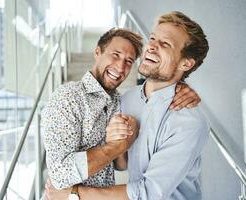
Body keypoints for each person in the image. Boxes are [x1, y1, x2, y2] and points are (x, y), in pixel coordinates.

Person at [44, 11, 209, 200]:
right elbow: (120, 163)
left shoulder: (189, 120)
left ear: (186, 64)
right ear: (97, 52)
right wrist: (118, 145)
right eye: (153, 39)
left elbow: (147, 191)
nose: (152, 46)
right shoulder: (123, 100)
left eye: (165, 44)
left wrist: (74, 194)